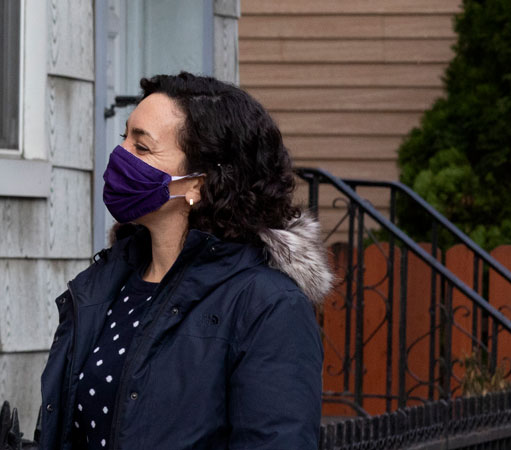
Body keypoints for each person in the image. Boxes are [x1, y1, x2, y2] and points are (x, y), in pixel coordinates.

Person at [34, 72, 333, 449]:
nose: (119, 156)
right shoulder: (106, 283)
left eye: (142, 148)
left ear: (198, 183)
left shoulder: (267, 305)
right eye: (123, 138)